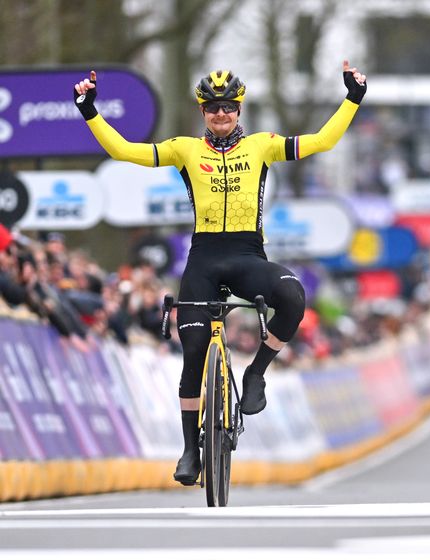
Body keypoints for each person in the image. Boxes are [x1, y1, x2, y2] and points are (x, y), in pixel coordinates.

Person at [73, 62, 367, 485]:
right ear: (202, 112)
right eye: (212, 108)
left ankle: (256, 372)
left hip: (248, 257)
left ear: (240, 109)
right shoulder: (185, 150)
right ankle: (191, 449)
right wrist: (89, 110)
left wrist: (352, 98)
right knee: (193, 352)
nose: (221, 115)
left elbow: (322, 141)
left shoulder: (263, 146)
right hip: (204, 260)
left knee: (293, 297)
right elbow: (124, 151)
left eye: (228, 107)